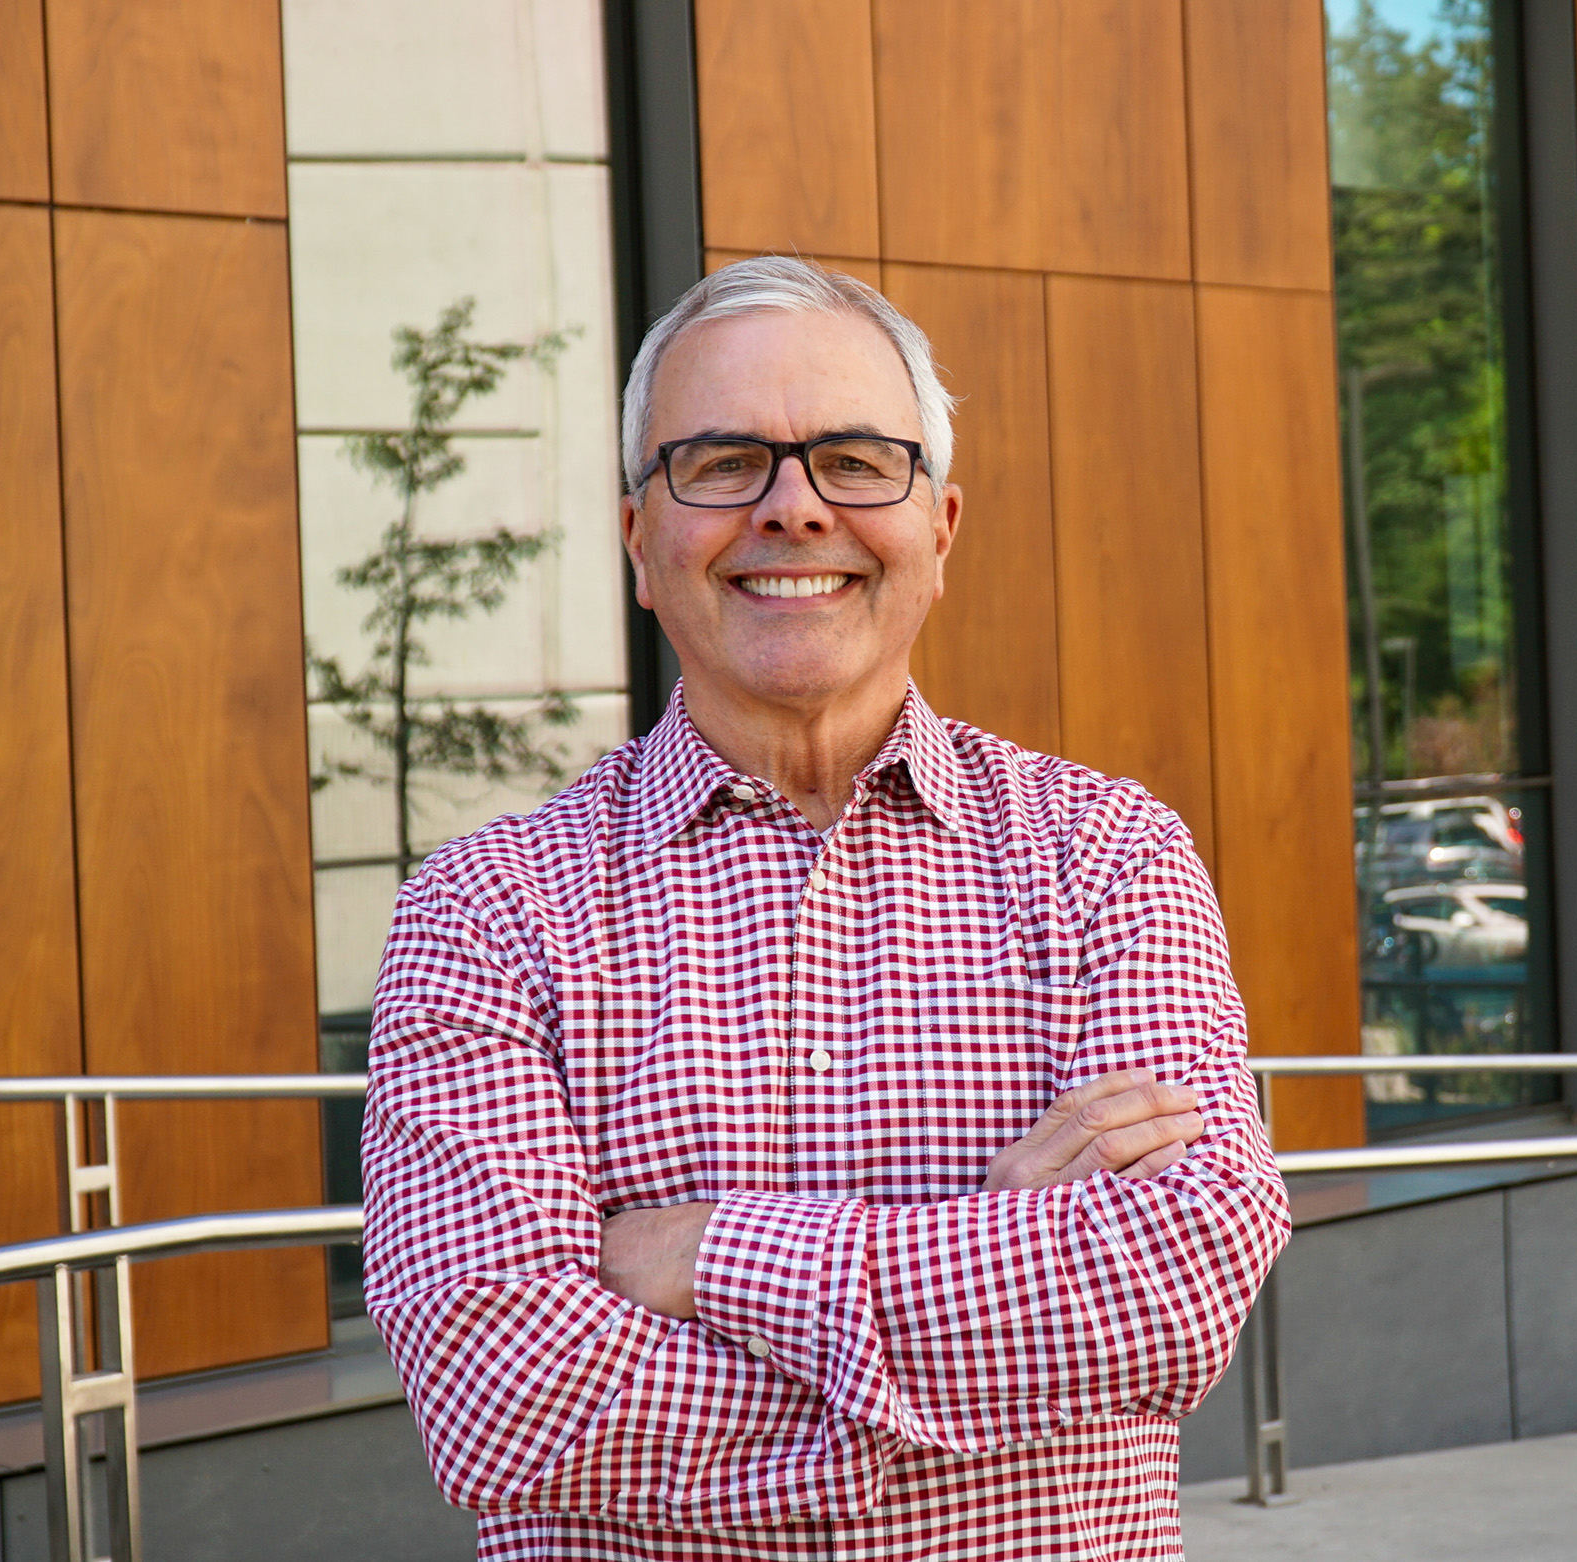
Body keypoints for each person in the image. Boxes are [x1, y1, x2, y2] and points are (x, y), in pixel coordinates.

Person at [360, 254, 1290, 1561]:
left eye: (856, 461)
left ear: (941, 528)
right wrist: (996, 1260)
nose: (795, 509)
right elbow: (506, 1399)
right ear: (641, 540)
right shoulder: (485, 911)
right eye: (724, 460)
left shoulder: (1111, 856)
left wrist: (712, 1258)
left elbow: (1177, 1286)